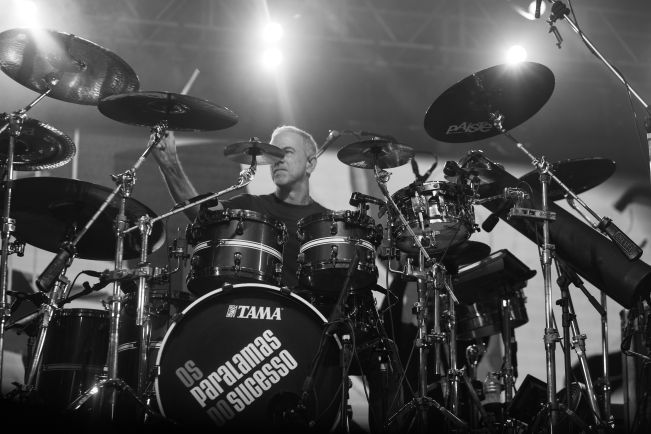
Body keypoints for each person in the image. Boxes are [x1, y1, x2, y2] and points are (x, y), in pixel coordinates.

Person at [153, 125, 404, 433]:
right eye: (273, 155)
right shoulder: (251, 208)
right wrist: (170, 164)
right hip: (254, 328)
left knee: (383, 354)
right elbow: (200, 213)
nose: (278, 161)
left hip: (312, 329)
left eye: (286, 152)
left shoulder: (328, 224)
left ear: (310, 163)